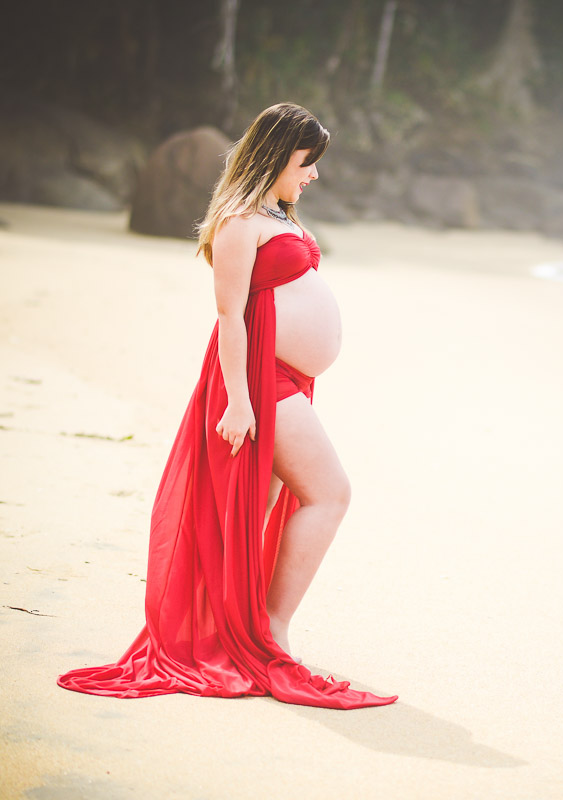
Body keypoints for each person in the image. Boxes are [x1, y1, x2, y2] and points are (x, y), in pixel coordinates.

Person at [57, 103, 397, 709]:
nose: (314, 174)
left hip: (286, 377)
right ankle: (272, 630)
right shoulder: (240, 221)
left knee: (254, 507)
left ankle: (241, 626)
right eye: (307, 162)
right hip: (260, 381)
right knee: (330, 493)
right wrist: (240, 401)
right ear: (277, 155)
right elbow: (229, 315)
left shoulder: (275, 213)